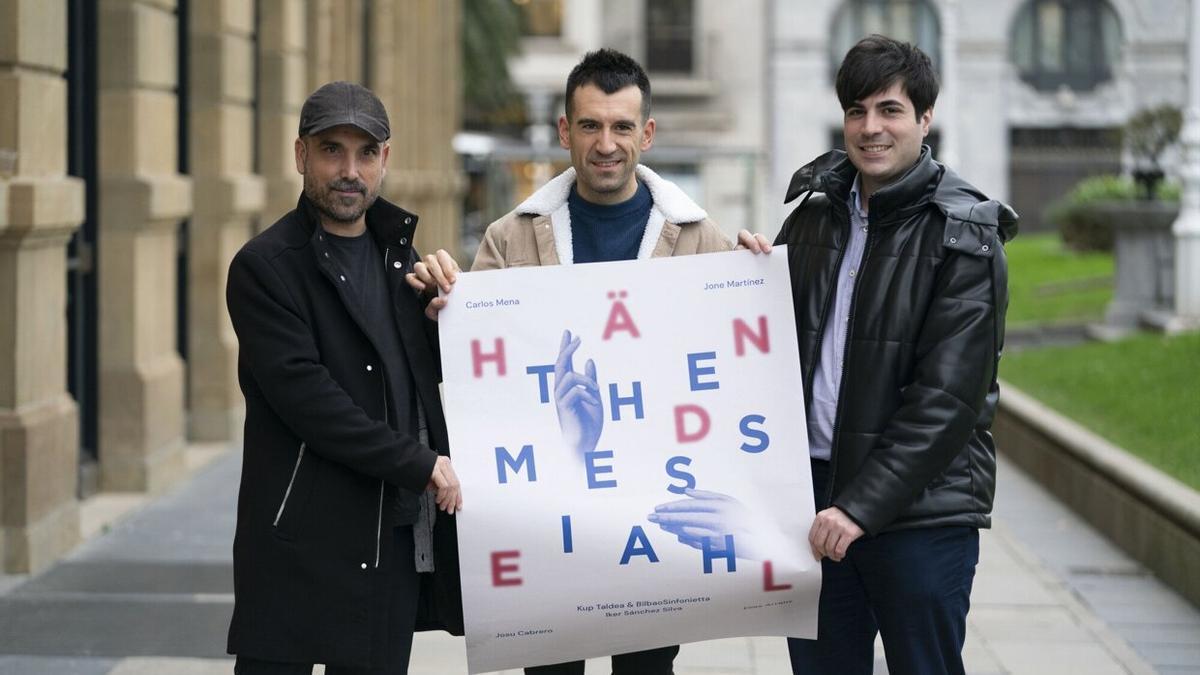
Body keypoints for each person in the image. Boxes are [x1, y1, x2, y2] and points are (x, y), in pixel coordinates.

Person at [409, 48, 732, 675]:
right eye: (589, 125)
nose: (605, 143)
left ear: (647, 133)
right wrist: (446, 316)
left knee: (646, 668)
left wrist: (755, 283)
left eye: (620, 126)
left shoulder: (702, 240)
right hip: (544, 509)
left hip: (653, 507)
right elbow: (485, 378)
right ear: (565, 132)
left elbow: (726, 380)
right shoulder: (510, 238)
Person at [738, 35, 1017, 675]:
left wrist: (859, 507)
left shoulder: (966, 235)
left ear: (925, 118)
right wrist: (744, 285)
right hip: (811, 504)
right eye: (857, 111)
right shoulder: (812, 218)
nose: (871, 129)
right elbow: (770, 352)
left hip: (920, 517)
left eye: (890, 110)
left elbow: (947, 402)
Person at [225, 81, 464, 675]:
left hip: (389, 543)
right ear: (301, 154)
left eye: (365, 153)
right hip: (297, 543)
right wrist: (421, 464)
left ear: (385, 159)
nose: (348, 170)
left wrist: (449, 320)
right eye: (332, 150)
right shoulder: (265, 267)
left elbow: (426, 387)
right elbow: (311, 403)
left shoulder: (405, 264)